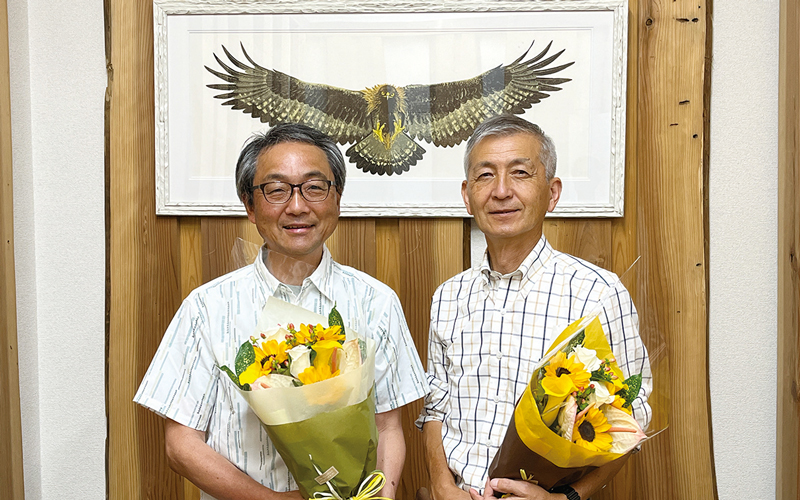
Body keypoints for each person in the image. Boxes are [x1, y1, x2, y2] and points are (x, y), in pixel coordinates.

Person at [135, 123, 429, 500]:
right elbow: (181, 445)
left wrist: (380, 498)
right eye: (276, 190)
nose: (297, 206)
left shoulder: (377, 301)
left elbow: (388, 427)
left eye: (314, 187)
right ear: (250, 205)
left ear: (336, 198)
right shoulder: (206, 307)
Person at [416, 115, 651, 500]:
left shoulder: (597, 294)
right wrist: (443, 486)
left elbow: (631, 417)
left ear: (552, 192)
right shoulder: (449, 296)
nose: (502, 191)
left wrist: (567, 498)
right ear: (467, 194)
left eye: (520, 173)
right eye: (485, 175)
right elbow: (435, 406)